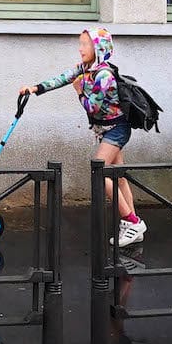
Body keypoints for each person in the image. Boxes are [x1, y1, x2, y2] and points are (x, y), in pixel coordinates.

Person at [20, 28, 147, 246]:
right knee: (119, 176)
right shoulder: (85, 69)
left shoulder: (104, 75)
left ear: (98, 48)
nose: (80, 49)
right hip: (104, 129)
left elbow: (93, 108)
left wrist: (79, 91)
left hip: (116, 129)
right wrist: (35, 88)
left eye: (85, 45)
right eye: (80, 44)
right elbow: (62, 78)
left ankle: (132, 221)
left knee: (99, 171)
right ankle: (133, 226)